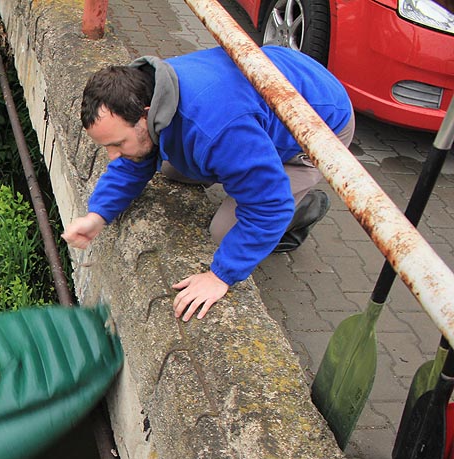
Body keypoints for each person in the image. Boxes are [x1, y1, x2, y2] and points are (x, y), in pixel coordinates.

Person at [62, 46, 355, 322]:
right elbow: (132, 161)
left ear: (147, 114)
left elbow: (269, 206)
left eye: (117, 144)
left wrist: (220, 276)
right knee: (170, 166)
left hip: (316, 126)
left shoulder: (218, 131)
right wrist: (97, 215)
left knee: (224, 230)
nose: (114, 156)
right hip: (275, 81)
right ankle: (247, 170)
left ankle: (303, 209)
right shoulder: (148, 91)